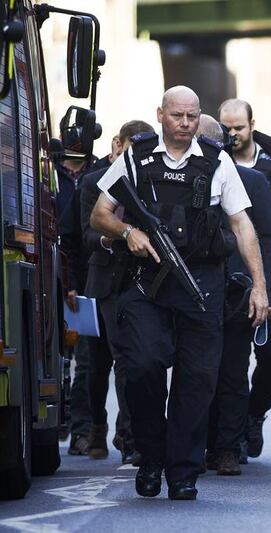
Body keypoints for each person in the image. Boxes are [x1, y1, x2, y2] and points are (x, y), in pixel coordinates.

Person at [90, 86, 269, 501]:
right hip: (145, 284)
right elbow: (100, 214)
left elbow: (242, 225)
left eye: (192, 117)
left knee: (198, 381)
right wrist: (129, 232)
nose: (185, 125)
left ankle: (183, 472)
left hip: (200, 285)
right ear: (161, 115)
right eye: (177, 117)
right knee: (142, 367)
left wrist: (259, 286)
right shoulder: (136, 157)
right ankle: (151, 458)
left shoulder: (216, 160)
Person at [200, 114, 271, 475]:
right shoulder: (180, 180)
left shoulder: (251, 181)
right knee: (197, 373)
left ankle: (228, 447)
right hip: (193, 293)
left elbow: (270, 239)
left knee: (233, 372)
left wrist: (268, 294)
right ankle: (194, 444)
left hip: (237, 293)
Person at [219, 99, 271, 458]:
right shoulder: (216, 163)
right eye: (227, 128)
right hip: (229, 278)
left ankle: (255, 412)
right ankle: (228, 436)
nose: (232, 134)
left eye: (239, 127)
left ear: (252, 125)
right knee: (230, 362)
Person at [79, 120, 155, 463]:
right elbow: (85, 235)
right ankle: (96, 426)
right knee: (96, 364)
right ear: (117, 144)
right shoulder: (93, 182)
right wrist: (114, 237)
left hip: (136, 281)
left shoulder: (147, 180)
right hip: (103, 281)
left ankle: (130, 436)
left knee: (129, 358)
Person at [55, 109, 100, 456]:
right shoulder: (46, 171)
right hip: (61, 278)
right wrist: (68, 283)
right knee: (69, 356)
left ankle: (90, 430)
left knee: (89, 359)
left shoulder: (100, 175)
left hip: (93, 283)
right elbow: (67, 236)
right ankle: (77, 425)